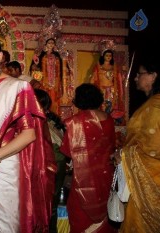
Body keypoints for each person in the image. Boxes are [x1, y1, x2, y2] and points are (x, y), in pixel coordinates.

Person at [0, 34, 56, 232]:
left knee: (4, 224)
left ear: (0, 57)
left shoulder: (17, 87)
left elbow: (29, 134)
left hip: (4, 167)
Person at [60, 83, 117, 233]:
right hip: (106, 176)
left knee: (81, 218)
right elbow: (112, 146)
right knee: (106, 217)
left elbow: (67, 152)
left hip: (83, 179)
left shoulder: (74, 122)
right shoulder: (109, 119)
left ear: (79, 100)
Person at [118, 56, 160, 232]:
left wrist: (124, 155)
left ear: (153, 76)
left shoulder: (156, 107)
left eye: (140, 73)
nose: (136, 78)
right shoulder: (152, 104)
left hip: (150, 181)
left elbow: (153, 148)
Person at [34, 88, 67, 233]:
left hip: (48, 168)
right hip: (57, 167)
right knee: (50, 206)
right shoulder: (52, 121)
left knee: (41, 206)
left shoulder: (40, 123)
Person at [31, 38, 63, 114]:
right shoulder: (42, 56)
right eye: (49, 42)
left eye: (52, 43)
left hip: (55, 82)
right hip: (44, 81)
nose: (51, 44)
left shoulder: (57, 56)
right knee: (44, 97)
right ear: (45, 44)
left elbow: (60, 70)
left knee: (54, 99)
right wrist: (35, 64)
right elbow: (36, 68)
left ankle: (54, 116)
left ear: (55, 45)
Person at [90, 49, 124, 121]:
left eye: (110, 55)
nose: (108, 57)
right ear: (103, 56)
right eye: (107, 55)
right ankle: (102, 120)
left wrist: (122, 78)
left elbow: (119, 80)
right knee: (103, 106)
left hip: (112, 91)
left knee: (112, 107)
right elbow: (93, 79)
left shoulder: (114, 67)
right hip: (102, 90)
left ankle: (112, 121)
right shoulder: (98, 67)